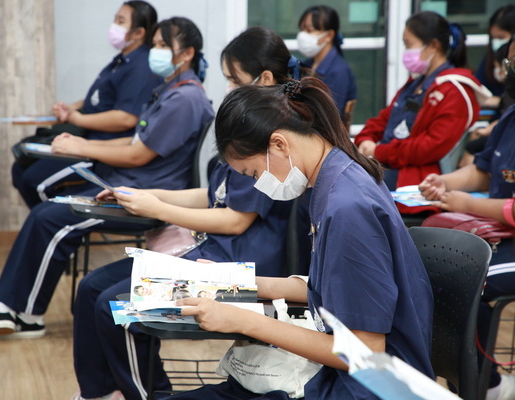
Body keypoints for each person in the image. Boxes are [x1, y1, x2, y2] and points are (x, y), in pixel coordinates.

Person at [70, 26, 306, 400]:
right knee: (91, 288)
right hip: (213, 251)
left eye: (234, 79)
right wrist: (145, 195)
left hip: (239, 266)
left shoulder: (268, 140)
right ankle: (99, 391)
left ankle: (150, 394)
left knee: (116, 308)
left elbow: (235, 219)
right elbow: (214, 196)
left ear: (264, 79)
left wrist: (160, 208)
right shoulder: (251, 127)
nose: (228, 87)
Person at [163, 77, 434, 400]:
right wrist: (240, 283)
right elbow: (331, 290)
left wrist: (243, 320)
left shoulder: (346, 208)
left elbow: (365, 351)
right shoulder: (335, 179)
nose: (258, 184)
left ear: (279, 145)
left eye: (253, 173)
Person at [0, 16, 214, 340]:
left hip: (144, 198)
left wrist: (83, 147)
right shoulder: (170, 91)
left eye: (162, 45)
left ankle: (20, 314)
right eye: (155, 44)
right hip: (125, 186)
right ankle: (12, 309)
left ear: (186, 53)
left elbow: (138, 155)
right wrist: (79, 144)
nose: (154, 51)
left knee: (50, 218)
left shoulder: (185, 99)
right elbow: (135, 141)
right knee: (45, 209)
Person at [419, 37, 515, 400]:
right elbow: (483, 171)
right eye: (509, 63)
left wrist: (468, 204)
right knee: (428, 271)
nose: (508, 71)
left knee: (466, 280)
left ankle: (485, 386)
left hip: (508, 239)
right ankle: (473, 382)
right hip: (500, 236)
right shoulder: (510, 119)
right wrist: (445, 183)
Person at [11, 1, 162, 209]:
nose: (114, 26)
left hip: (103, 146)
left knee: (34, 181)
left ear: (138, 33)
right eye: (115, 20)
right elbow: (99, 97)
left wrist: (78, 119)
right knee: (20, 167)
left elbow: (126, 118)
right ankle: (44, 219)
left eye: (120, 21)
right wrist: (71, 108)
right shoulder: (121, 60)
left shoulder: (141, 65)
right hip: (86, 138)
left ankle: (50, 221)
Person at [354, 11, 489, 214]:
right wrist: (366, 139)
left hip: (416, 177)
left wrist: (379, 152)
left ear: (433, 45)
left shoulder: (455, 90)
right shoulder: (417, 82)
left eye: (409, 45)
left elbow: (431, 147)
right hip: (390, 164)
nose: (405, 52)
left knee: (350, 191)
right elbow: (384, 118)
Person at [296, 5, 356, 125]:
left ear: (329, 35)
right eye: (302, 29)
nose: (303, 35)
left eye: (309, 30)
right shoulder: (308, 65)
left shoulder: (338, 72)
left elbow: (329, 117)